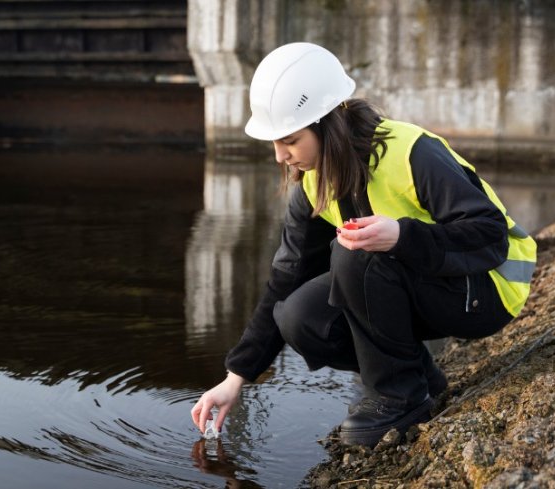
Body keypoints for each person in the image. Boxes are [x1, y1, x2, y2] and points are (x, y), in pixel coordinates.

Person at [191, 42, 537, 447]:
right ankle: (418, 379)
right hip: (430, 284)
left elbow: (489, 234)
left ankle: (398, 398)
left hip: (486, 289)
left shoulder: (411, 152)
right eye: (274, 142)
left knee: (354, 255)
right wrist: (236, 378)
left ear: (327, 122)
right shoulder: (313, 182)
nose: (280, 156)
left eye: (290, 140)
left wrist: (403, 236)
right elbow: (284, 281)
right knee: (298, 316)